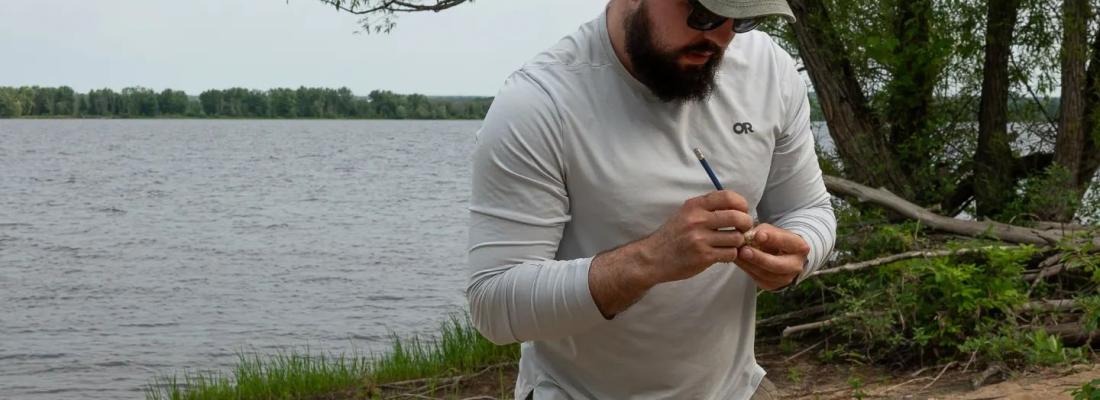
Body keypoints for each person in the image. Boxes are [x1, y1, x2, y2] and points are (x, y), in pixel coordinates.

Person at [466, 0, 836, 398]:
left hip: (735, 389)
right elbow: (494, 301)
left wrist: (802, 252)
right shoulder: (540, 102)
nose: (720, 35)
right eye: (703, 13)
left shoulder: (771, 73)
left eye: (742, 17)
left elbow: (808, 209)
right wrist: (652, 260)